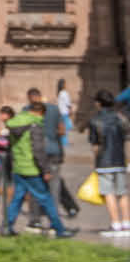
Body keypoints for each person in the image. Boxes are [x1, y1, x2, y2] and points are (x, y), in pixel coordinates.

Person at [5, 96, 76, 238]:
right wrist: (46, 170)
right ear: (40, 113)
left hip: (19, 168)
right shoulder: (34, 125)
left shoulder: (15, 123)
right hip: (31, 169)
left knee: (17, 199)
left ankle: (7, 227)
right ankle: (59, 229)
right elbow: (38, 150)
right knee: (46, 198)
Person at [85, 89, 129, 236]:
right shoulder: (121, 118)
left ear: (98, 103)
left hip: (104, 162)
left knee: (109, 193)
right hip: (120, 160)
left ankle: (115, 224)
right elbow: (127, 139)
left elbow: (95, 145)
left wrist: (95, 161)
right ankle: (126, 224)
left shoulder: (94, 120)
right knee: (122, 192)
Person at [36, 85, 81, 221]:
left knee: (44, 181)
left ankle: (49, 212)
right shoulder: (55, 111)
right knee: (55, 180)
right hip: (55, 151)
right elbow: (62, 131)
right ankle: (70, 207)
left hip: (41, 152)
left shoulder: (33, 114)